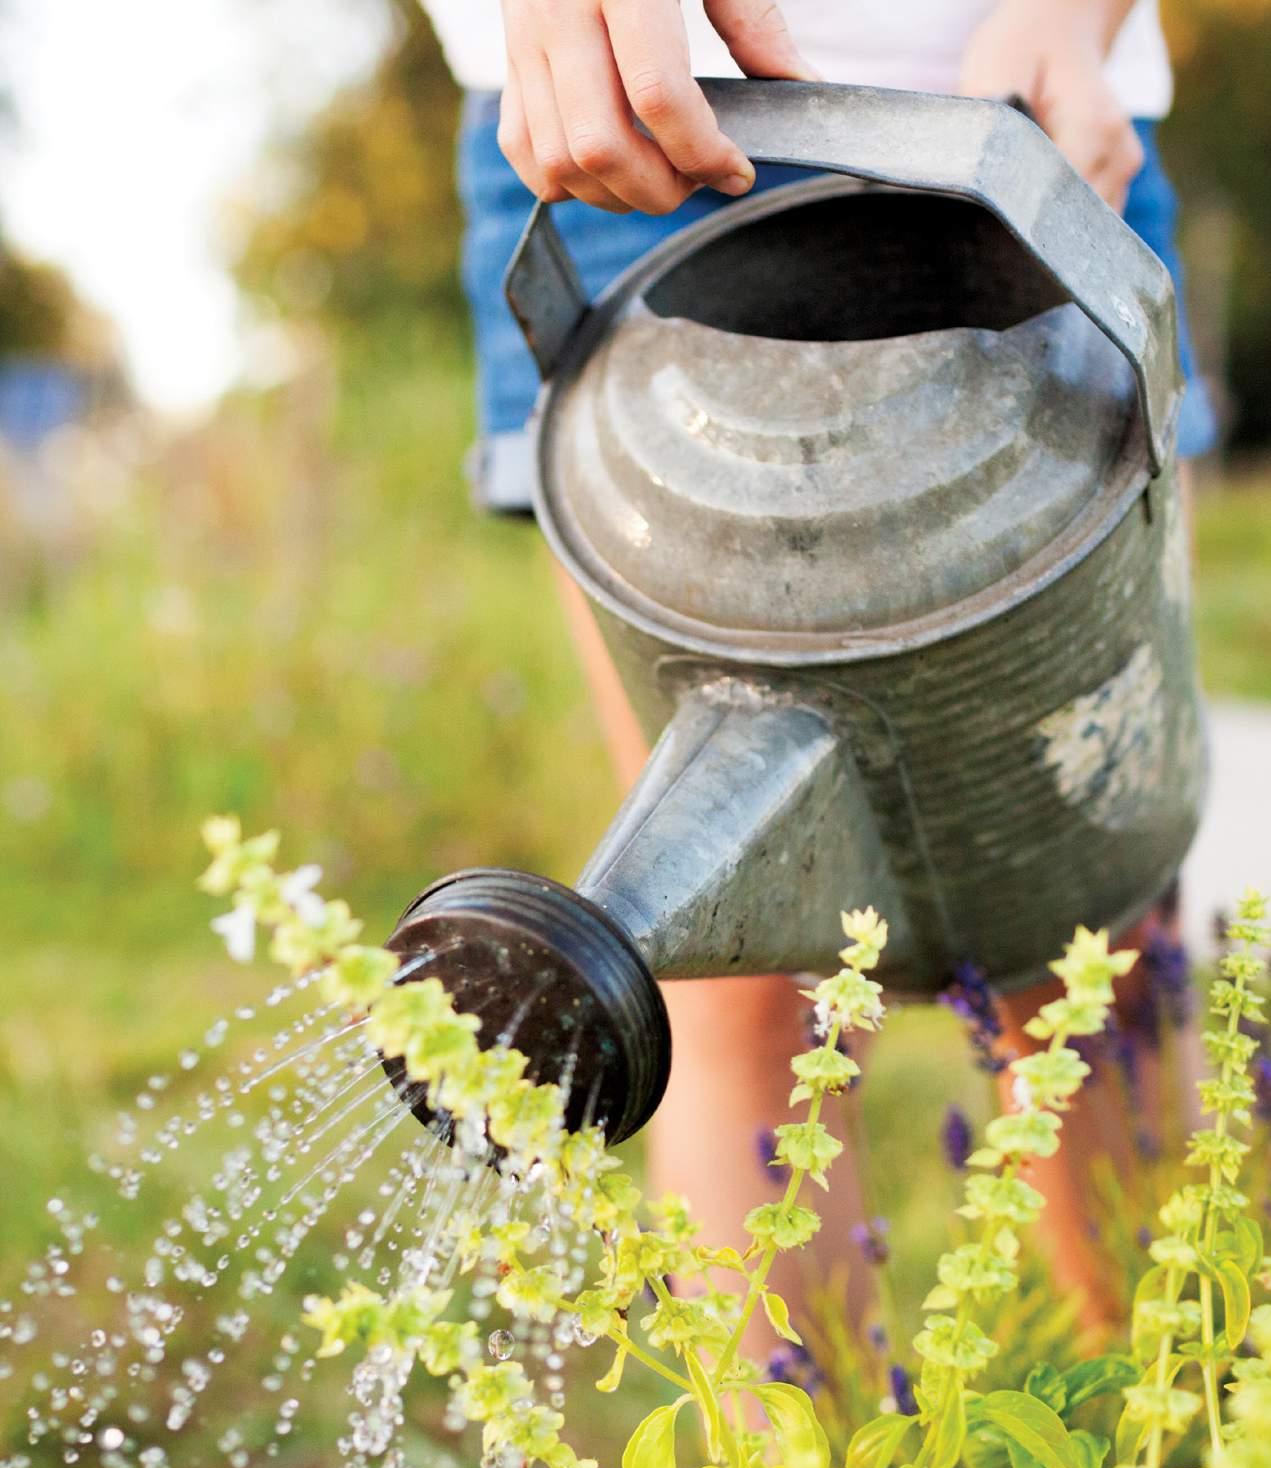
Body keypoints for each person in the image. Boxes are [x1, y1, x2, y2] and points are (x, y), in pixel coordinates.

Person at [423, 0, 1218, 1335]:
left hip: (1045, 131)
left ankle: (1170, 1446)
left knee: (1101, 932)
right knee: (739, 984)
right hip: (621, 123)